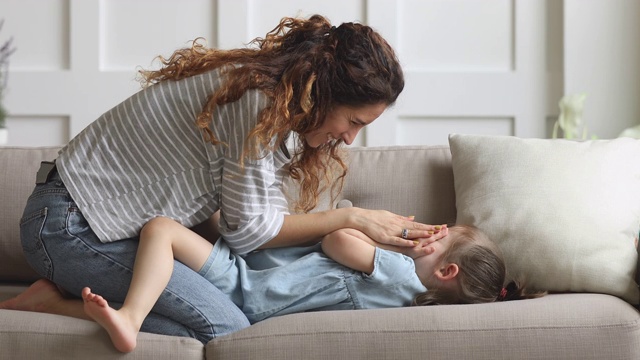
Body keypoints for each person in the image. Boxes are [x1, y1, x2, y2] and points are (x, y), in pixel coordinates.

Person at [1, 14, 446, 343]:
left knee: (219, 315)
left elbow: (243, 220)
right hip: (70, 227)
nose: (348, 138)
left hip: (94, 226)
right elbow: (250, 231)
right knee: (228, 326)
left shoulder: (267, 100)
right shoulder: (256, 103)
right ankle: (53, 304)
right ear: (323, 92)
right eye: (353, 121)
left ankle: (63, 298)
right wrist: (354, 220)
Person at [79, 219, 541, 353]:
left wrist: (392, 235)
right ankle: (59, 304)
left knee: (161, 228)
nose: (424, 234)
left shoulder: (398, 272)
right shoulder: (407, 299)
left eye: (440, 239)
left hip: (246, 289)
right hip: (256, 292)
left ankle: (130, 318)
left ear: (446, 273)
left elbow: (339, 239)